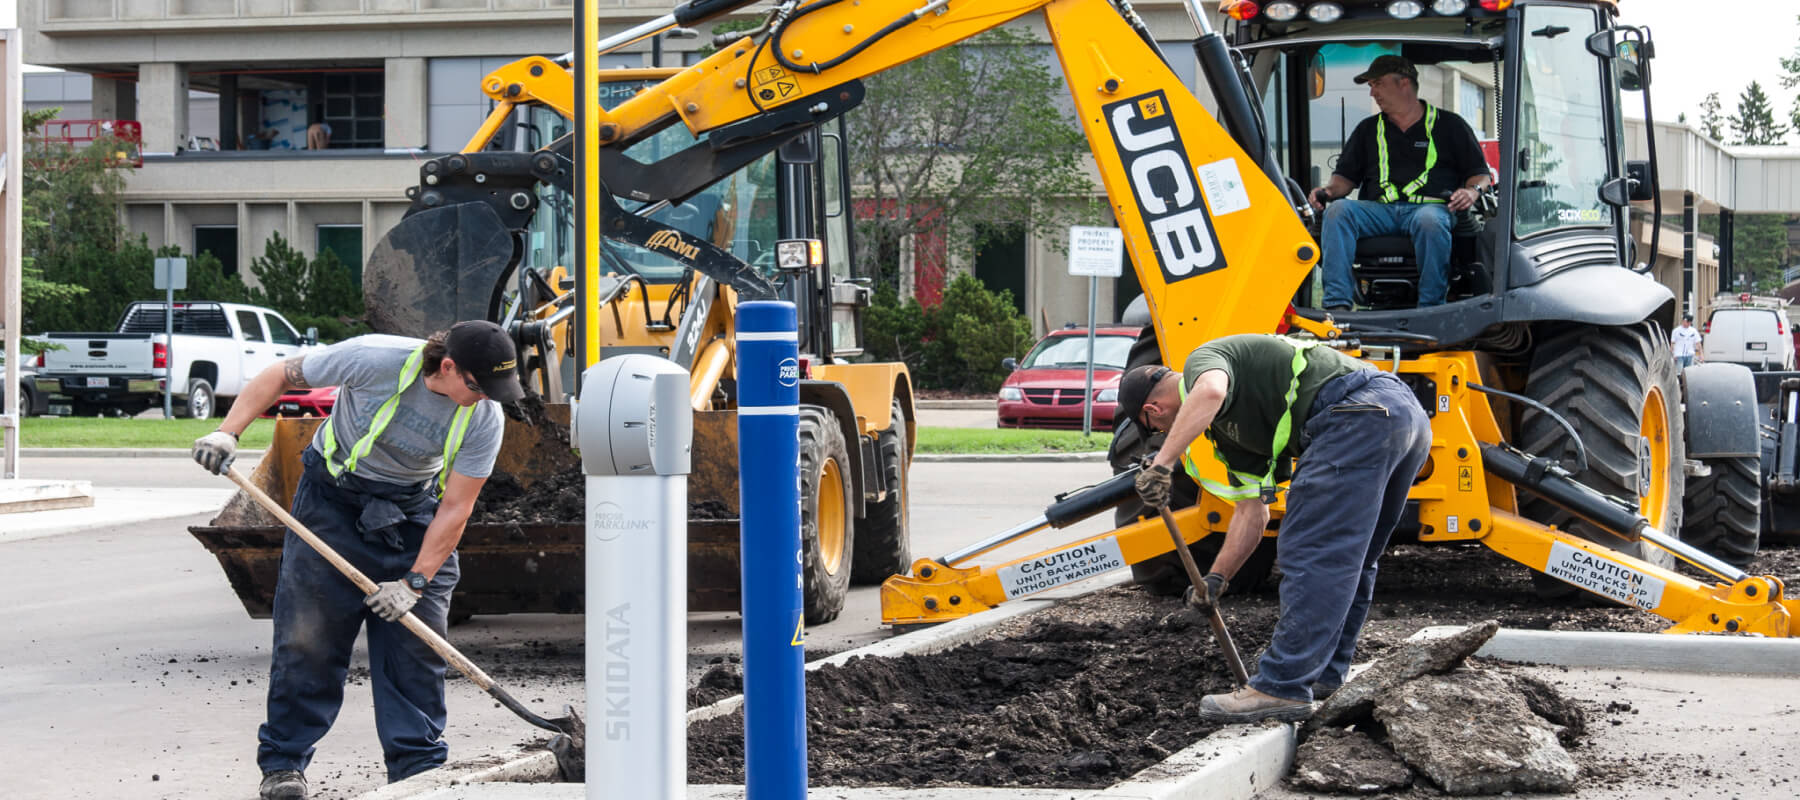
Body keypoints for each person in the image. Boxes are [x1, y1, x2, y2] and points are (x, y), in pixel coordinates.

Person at [191, 321, 525, 800]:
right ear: (448, 366)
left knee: (417, 648)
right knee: (308, 639)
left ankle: (418, 773)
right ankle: (284, 764)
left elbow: (456, 507)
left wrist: (414, 582)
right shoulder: (374, 358)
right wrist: (228, 433)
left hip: (410, 516)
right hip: (332, 503)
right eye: (476, 386)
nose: (484, 398)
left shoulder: (485, 418)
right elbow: (282, 374)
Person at [1115, 334, 1431, 723]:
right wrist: (1217, 578)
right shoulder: (1231, 437)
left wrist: (1163, 463)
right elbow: (1253, 514)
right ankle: (1323, 678)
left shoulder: (1204, 359)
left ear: (1154, 409)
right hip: (1397, 417)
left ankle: (1280, 687)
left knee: (1312, 552)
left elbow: (1211, 391)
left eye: (1157, 427)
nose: (1165, 433)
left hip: (1356, 412)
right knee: (1354, 559)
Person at [1308, 55, 1492, 310]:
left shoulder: (1450, 125)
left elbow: (1481, 174)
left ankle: (1430, 308)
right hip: (1378, 212)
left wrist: (1472, 192)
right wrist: (1327, 191)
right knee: (1338, 211)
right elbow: (1345, 180)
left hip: (1430, 209)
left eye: (1377, 84)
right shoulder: (1367, 129)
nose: (1372, 92)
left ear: (1404, 83)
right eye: (1370, 86)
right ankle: (1336, 307)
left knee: (1430, 220)